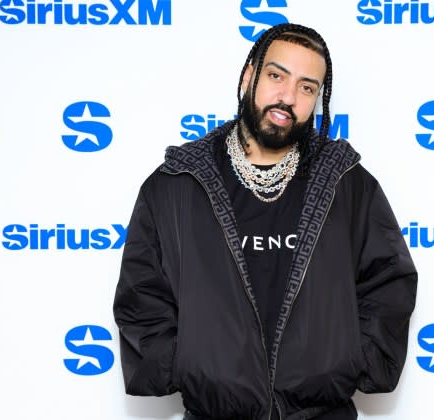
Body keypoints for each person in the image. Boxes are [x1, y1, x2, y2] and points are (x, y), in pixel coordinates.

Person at [113, 23, 417, 420]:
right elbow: (142, 294)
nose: (288, 97)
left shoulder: (346, 182)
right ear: (248, 76)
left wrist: (357, 359)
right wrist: (184, 365)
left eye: (307, 87)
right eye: (277, 76)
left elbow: (388, 281)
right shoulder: (176, 185)